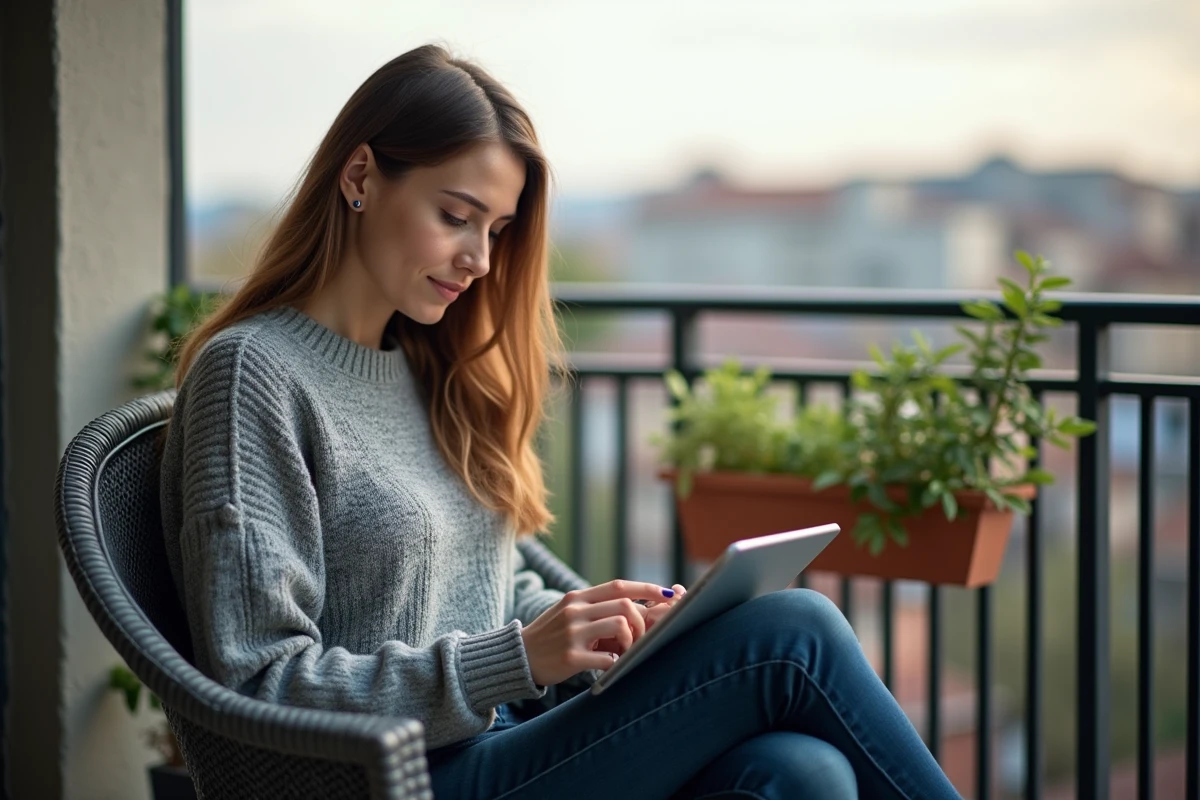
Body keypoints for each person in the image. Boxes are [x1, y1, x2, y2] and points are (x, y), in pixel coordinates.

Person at [159, 44, 962, 800]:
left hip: (502, 738)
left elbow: (497, 577)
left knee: (802, 771)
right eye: (456, 215)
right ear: (361, 175)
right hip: (390, 779)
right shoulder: (253, 375)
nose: (479, 258)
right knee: (796, 630)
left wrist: (635, 627)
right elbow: (260, 682)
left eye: (497, 231)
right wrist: (514, 660)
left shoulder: (423, 365)